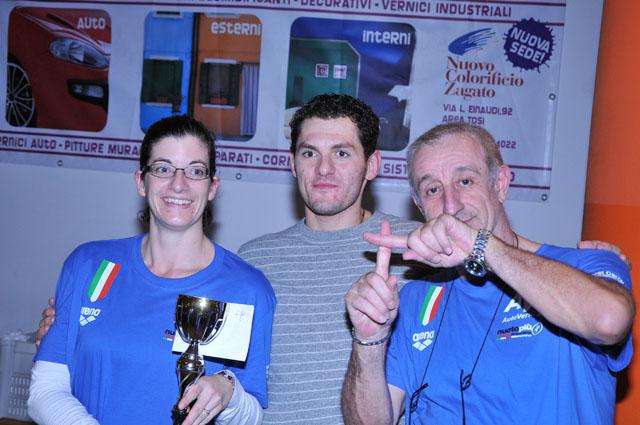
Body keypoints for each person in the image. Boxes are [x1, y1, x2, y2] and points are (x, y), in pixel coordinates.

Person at [35, 98, 630, 425]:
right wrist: (75, 332)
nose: (323, 170)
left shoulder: (421, 252)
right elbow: (200, 366)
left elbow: (534, 270)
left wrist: (587, 263)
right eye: (309, 153)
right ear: (291, 163)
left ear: (372, 166)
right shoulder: (250, 265)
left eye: (342, 153)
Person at [342, 122, 635, 425]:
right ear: (419, 205)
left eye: (465, 181)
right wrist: (369, 340)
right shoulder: (415, 300)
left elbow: (609, 321)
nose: (451, 205)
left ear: (500, 184)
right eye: (433, 190)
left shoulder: (585, 266)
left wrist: (480, 246)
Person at [29, 115, 275, 425]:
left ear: (212, 186)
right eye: (163, 168)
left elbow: (252, 415)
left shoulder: (246, 288)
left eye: (195, 171)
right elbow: (45, 391)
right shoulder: (89, 264)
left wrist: (230, 393)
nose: (178, 184)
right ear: (141, 182)